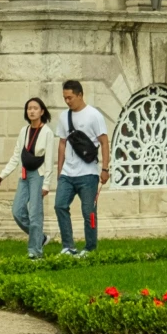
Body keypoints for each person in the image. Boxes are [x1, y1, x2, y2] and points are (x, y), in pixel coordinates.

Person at [53, 78, 110, 256]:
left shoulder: (94, 115)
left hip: (88, 174)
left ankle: (90, 248)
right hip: (67, 173)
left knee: (88, 212)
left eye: (70, 97)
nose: (67, 101)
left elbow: (104, 142)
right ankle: (68, 246)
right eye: (65, 98)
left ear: (80, 95)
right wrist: (59, 169)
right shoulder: (64, 116)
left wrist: (105, 168)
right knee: (59, 205)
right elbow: (62, 143)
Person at [0, 96, 54, 260]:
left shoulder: (47, 132)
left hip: (38, 176)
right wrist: (3, 174)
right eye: (29, 108)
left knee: (35, 214)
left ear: (42, 111)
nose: (32, 111)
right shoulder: (24, 131)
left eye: (35, 108)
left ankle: (35, 252)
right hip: (25, 174)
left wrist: (46, 184)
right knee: (17, 212)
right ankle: (40, 238)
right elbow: (16, 156)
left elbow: (49, 160)